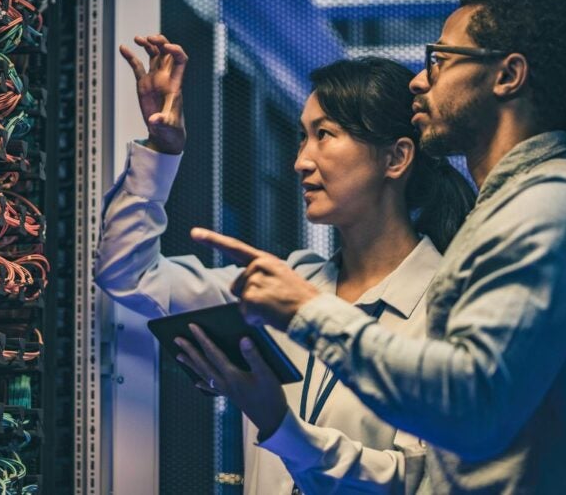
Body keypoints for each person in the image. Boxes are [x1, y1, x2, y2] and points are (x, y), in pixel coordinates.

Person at [188, 0, 566, 493]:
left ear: (507, 76)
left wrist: (308, 313)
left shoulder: (552, 207)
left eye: (441, 60)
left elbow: (468, 405)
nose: (420, 80)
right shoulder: (511, 213)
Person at [94, 34, 475, 494]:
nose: (300, 161)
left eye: (325, 136)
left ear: (395, 158)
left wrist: (278, 422)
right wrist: (160, 149)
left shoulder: (450, 308)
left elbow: (416, 481)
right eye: (302, 136)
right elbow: (127, 274)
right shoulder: (284, 286)